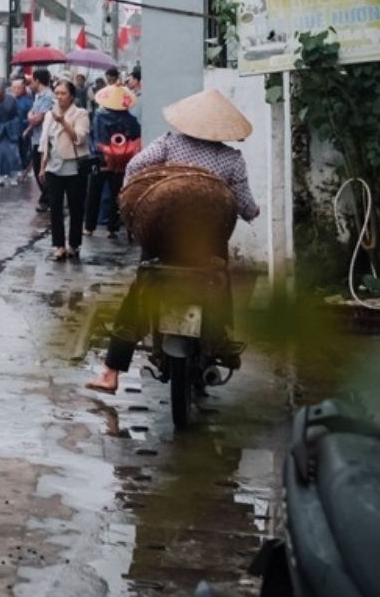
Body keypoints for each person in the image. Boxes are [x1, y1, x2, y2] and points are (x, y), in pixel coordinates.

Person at [87, 88, 258, 394]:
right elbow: (245, 205)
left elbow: (135, 167)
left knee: (140, 294)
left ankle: (111, 372)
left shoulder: (169, 143)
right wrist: (252, 211)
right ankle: (220, 340)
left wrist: (134, 196)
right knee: (219, 284)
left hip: (161, 238)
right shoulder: (232, 159)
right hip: (206, 244)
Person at [39, 79, 91, 261]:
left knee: (76, 207)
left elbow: (80, 138)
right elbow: (45, 141)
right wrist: (42, 166)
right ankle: (59, 245)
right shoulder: (49, 115)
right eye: (57, 93)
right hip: (53, 166)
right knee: (55, 207)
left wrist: (63, 122)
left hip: (73, 167)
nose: (59, 97)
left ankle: (74, 245)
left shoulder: (80, 114)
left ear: (72, 97)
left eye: (63, 93)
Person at [85, 83, 142, 239]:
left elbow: (96, 139)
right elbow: (136, 137)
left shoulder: (99, 116)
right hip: (121, 161)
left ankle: (89, 227)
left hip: (100, 160)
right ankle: (113, 228)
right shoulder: (131, 119)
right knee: (117, 193)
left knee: (94, 193)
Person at [25, 68, 55, 210]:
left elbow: (38, 118)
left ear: (37, 80)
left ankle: (48, 199)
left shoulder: (48, 96)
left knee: (42, 170)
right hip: (36, 137)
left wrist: (31, 118)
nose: (30, 83)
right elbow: (31, 113)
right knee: (38, 169)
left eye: (32, 80)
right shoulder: (38, 96)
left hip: (44, 138)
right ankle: (48, 198)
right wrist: (29, 124)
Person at [0, 80, 24, 186]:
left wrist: (13, 125)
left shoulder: (12, 100)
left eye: (0, 93)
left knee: (12, 155)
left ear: (4, 91)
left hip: (10, 131)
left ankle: (13, 176)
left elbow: (18, 115)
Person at [13, 77, 35, 185]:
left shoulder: (28, 101)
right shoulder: (11, 99)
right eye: (14, 88)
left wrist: (26, 124)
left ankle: (25, 168)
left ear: (23, 88)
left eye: (19, 88)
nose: (16, 90)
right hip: (13, 130)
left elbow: (32, 116)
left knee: (24, 150)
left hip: (24, 129)